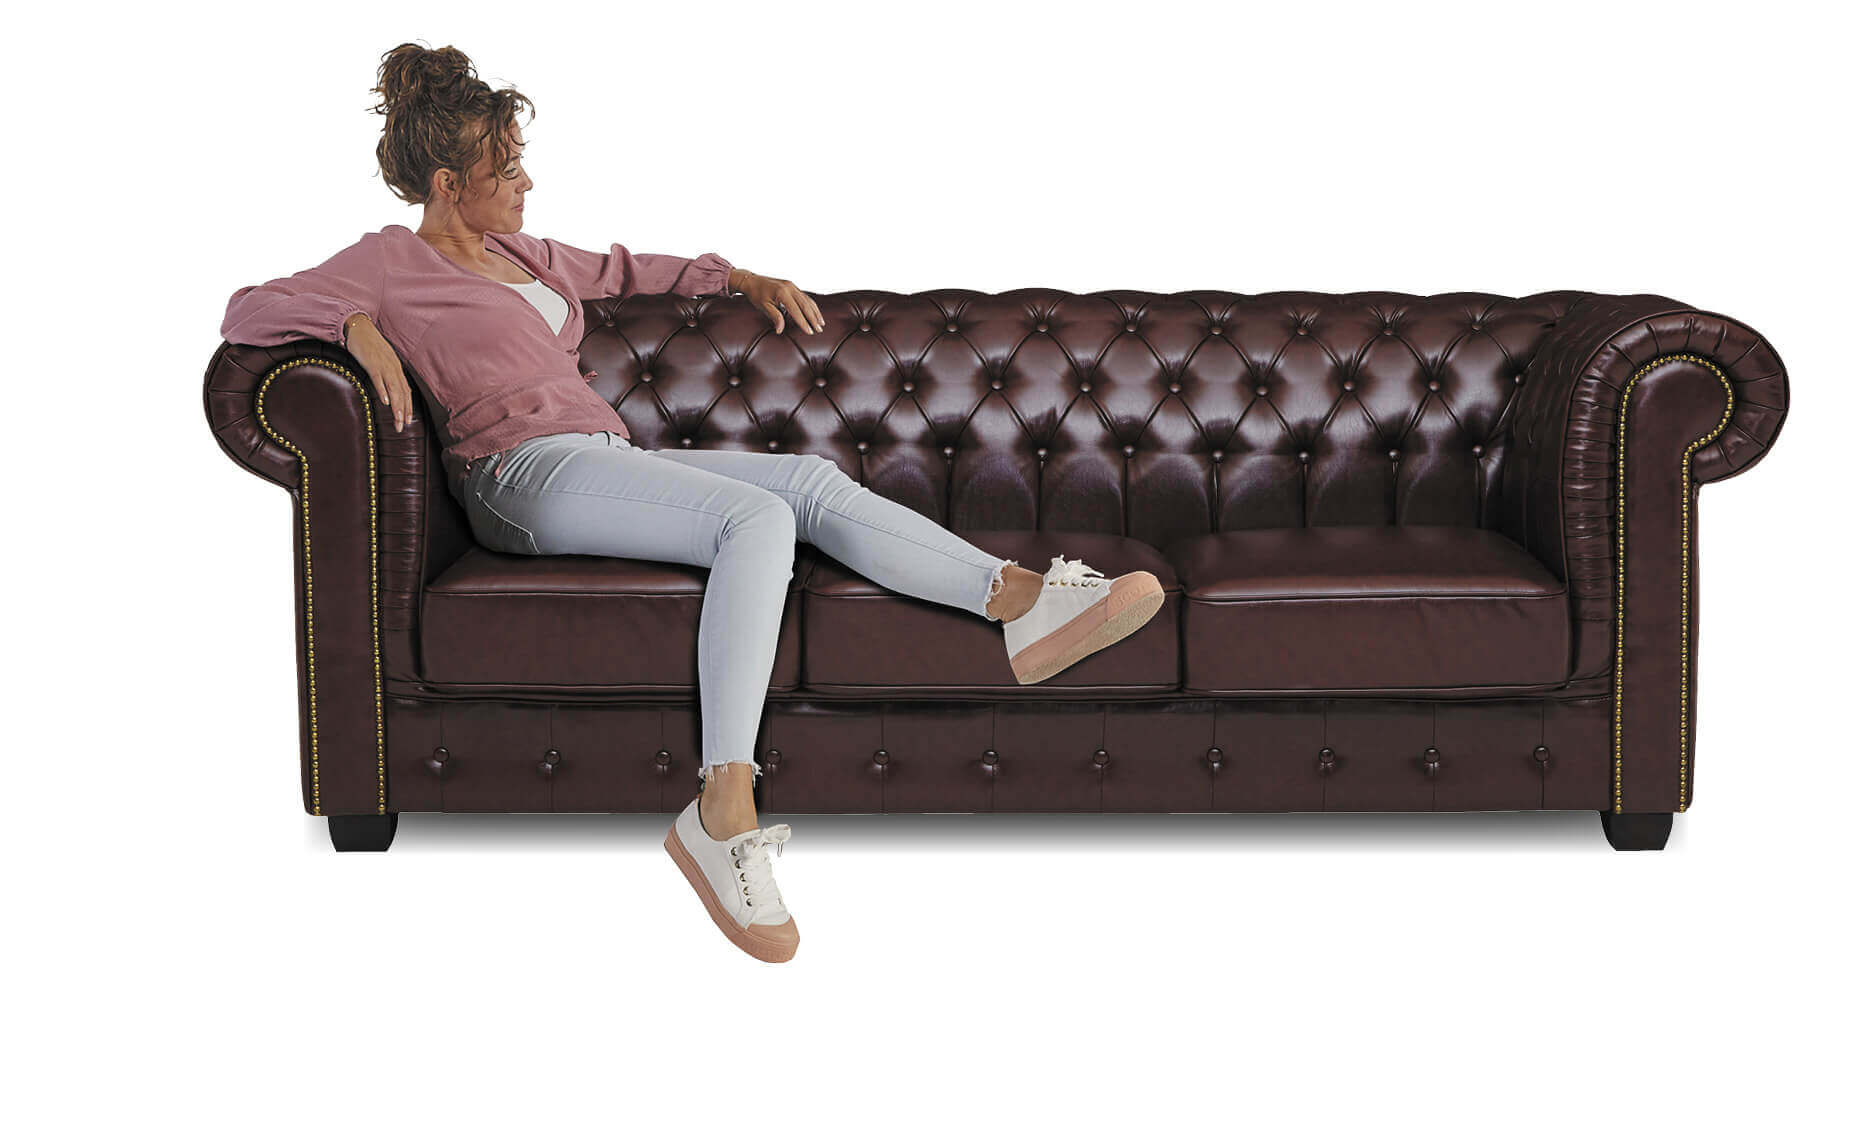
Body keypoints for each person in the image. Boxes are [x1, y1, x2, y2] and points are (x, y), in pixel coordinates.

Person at [219, 42, 1164, 963]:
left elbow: (628, 270)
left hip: (596, 454)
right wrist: (352, 322)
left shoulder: (522, 253)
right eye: (505, 169)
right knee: (755, 519)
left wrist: (737, 277)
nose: (526, 182)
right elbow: (247, 311)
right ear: (445, 184)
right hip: (514, 476)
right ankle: (722, 808)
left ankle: (1019, 601)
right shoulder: (388, 260)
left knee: (804, 481)